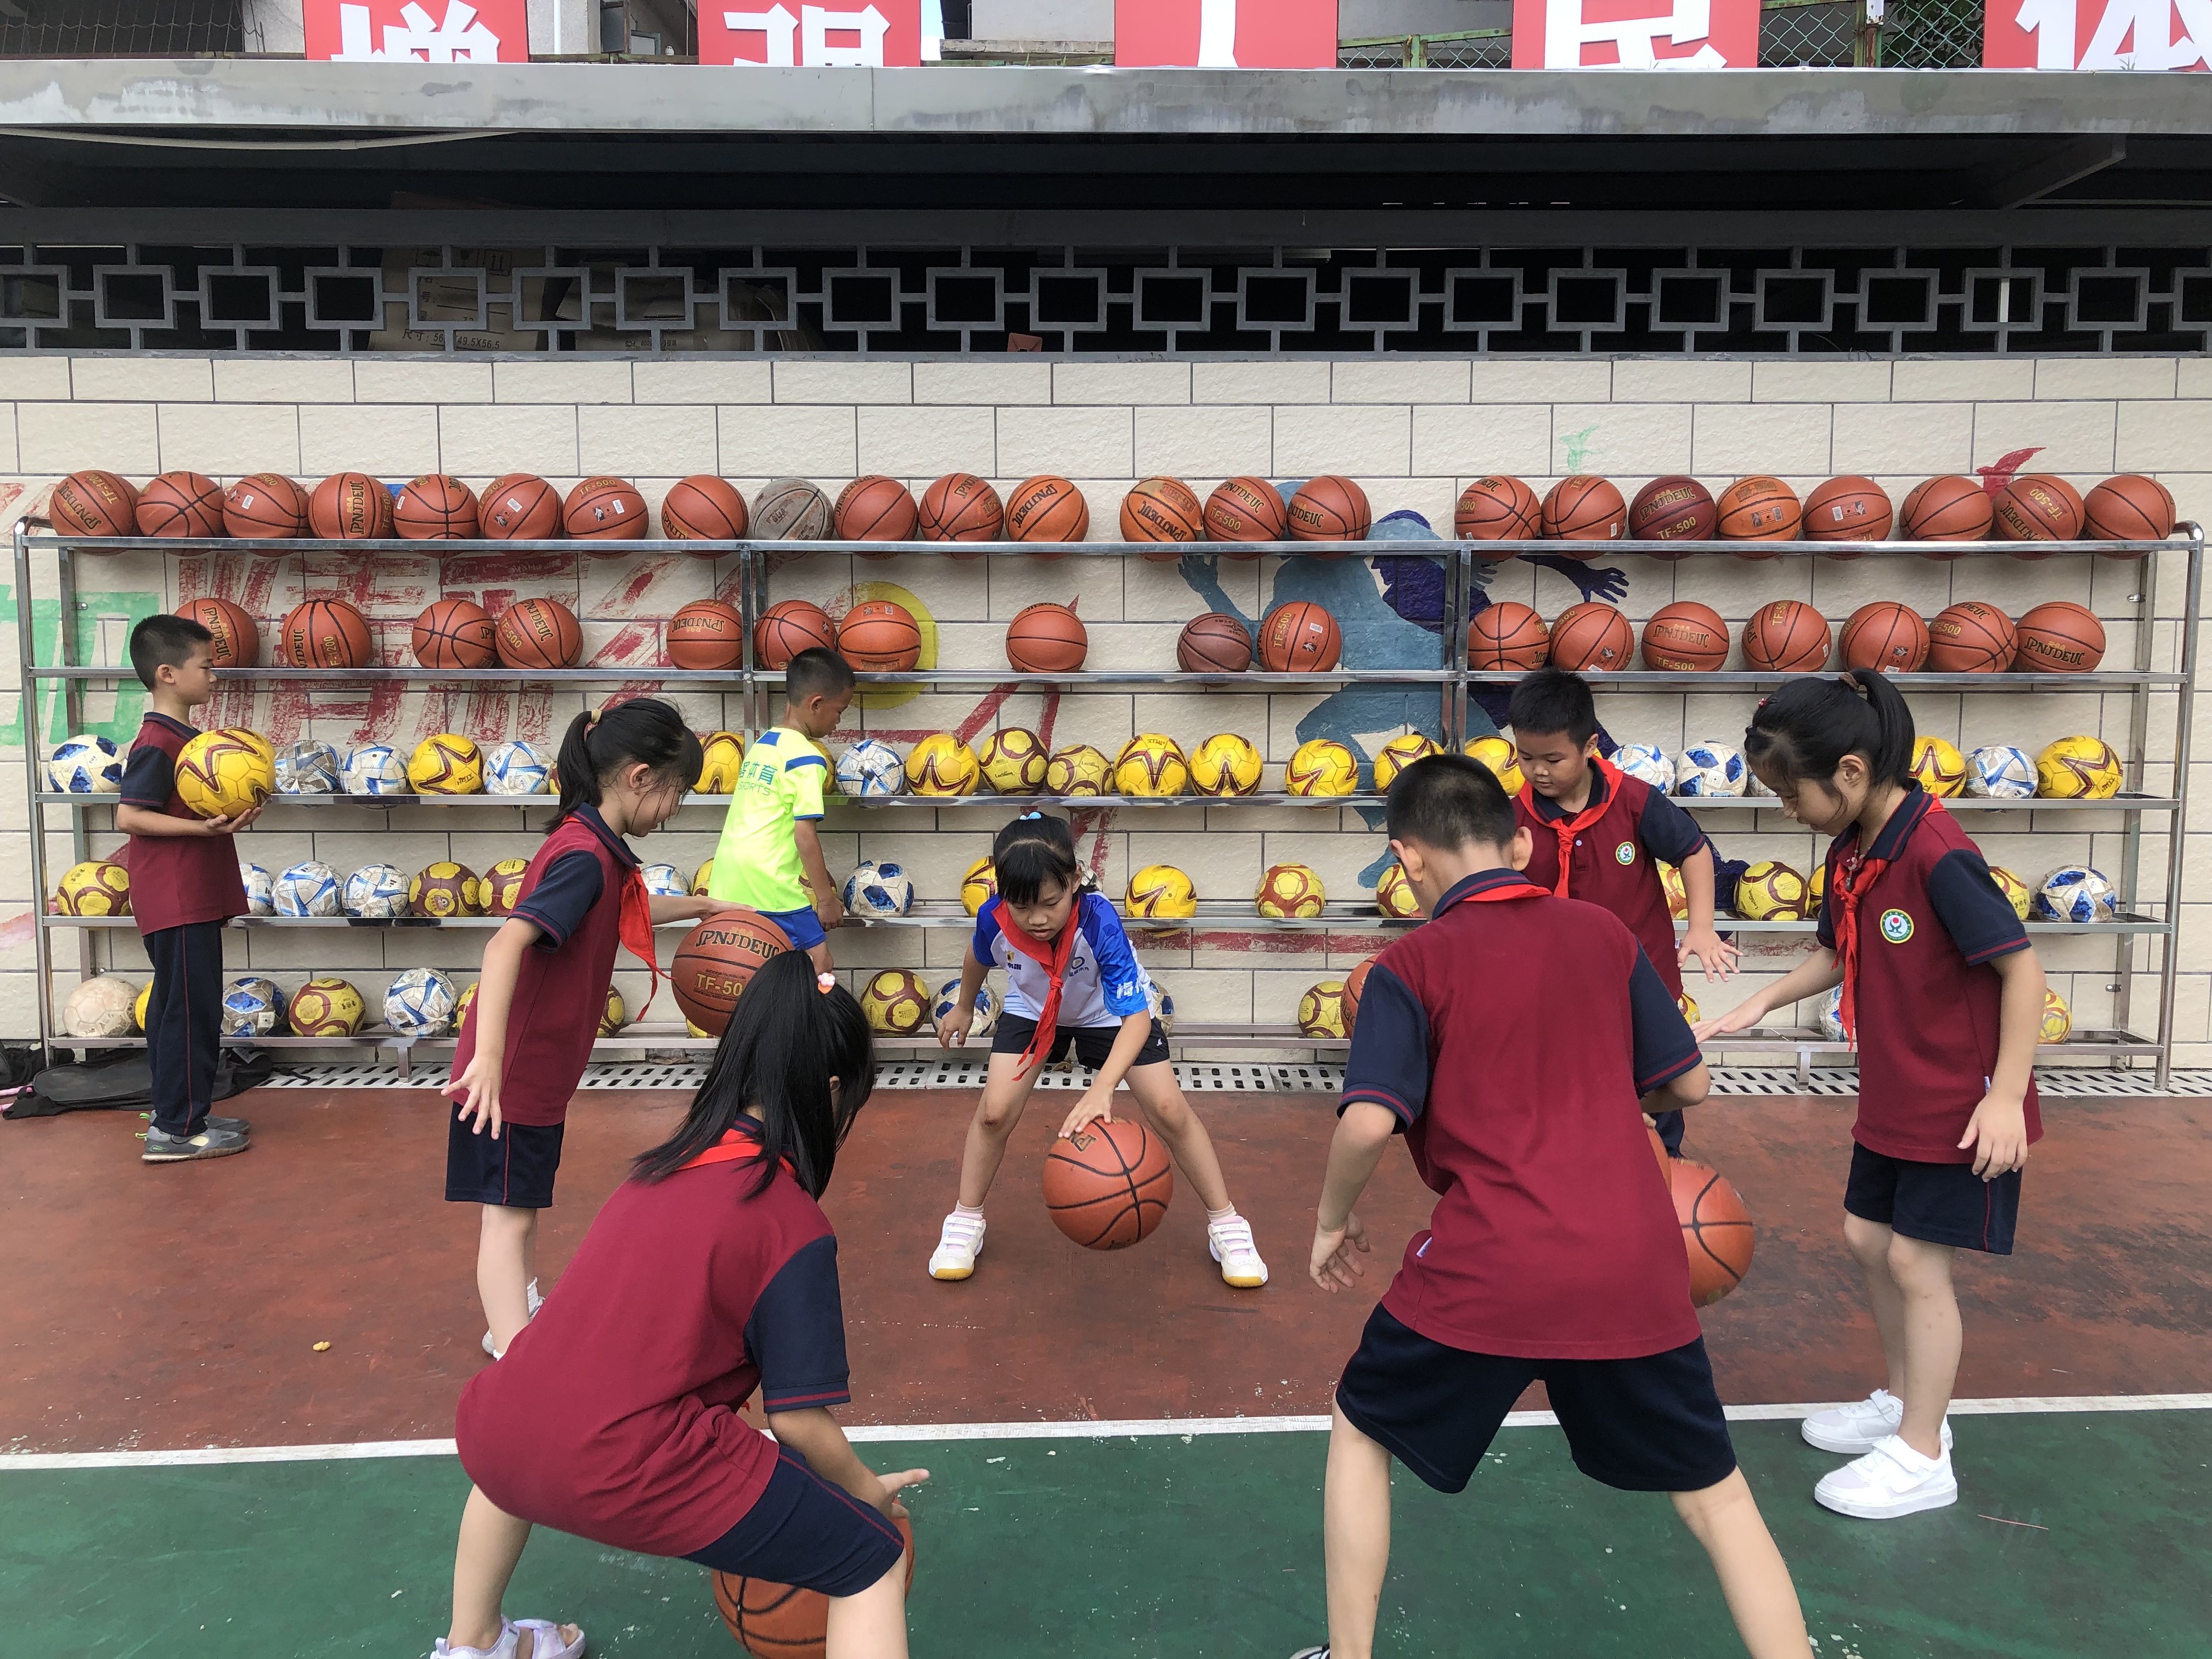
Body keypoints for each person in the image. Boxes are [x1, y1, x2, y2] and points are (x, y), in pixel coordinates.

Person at [1297, 753, 1813, 1659]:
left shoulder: (1407, 966)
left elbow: (1370, 1120)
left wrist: (1331, 1219)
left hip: (1491, 1265)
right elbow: (1687, 1082)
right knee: (1716, 1494)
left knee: (1361, 1424)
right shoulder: (1602, 934)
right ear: (1520, 844)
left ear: (1405, 857)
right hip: (1632, 1260)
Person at [432, 951, 927, 1659]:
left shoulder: (656, 1171)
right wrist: (864, 1491)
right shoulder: (789, 1222)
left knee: (533, 1430)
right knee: (868, 1558)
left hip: (498, 1434)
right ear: (831, 1090)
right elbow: (798, 1422)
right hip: (620, 1461)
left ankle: (472, 1643)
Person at [1696, 671, 2042, 1521]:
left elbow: (2022, 969)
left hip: (1962, 1101)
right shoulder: (1854, 847)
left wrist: (2005, 1096)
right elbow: (1837, 950)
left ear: (1850, 772)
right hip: (1897, 1091)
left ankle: (1924, 1455)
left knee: (1917, 1263)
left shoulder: (1937, 853)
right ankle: (1904, 1401)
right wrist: (1761, 1002)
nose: (1787, 810)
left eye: (1791, 794)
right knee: (1866, 1238)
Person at [444, 698, 736, 1361]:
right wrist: (488, 1060)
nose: (674, 810)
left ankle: (519, 1313)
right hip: (511, 1076)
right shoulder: (583, 856)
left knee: (520, 1206)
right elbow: (504, 944)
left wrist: (702, 905)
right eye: (677, 793)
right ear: (639, 777)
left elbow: (621, 911)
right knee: (507, 1218)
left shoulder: (597, 848)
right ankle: (516, 1362)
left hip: (534, 1072)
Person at [929, 812, 1268, 1288]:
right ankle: (965, 1220)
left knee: (1170, 1110)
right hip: (1034, 1009)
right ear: (1004, 895)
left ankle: (1227, 1224)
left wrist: (1103, 1087)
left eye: (1050, 903)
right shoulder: (994, 917)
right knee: (993, 1114)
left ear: (1074, 882)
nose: (1037, 919)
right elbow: (978, 955)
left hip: (1107, 1012)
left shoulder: (1099, 921)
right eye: (1022, 907)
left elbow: (1136, 1019)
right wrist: (965, 1007)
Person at [1508, 667, 1733, 1153]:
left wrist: (1701, 928)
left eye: (1552, 759)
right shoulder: (1514, 818)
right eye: (1525, 757)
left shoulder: (1634, 801)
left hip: (1641, 981)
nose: (1538, 771)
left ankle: (1663, 1162)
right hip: (1555, 987)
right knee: (1565, 1089)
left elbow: (1693, 851)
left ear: (1590, 746)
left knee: (1653, 1084)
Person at [116, 614, 259, 1164]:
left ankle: (182, 1114)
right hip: (175, 900)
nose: (215, 676)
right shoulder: (157, 741)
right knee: (186, 1014)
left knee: (185, 1009)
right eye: (207, 665)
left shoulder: (190, 740)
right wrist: (203, 829)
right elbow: (130, 815)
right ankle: (175, 1132)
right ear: (168, 674)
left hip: (190, 896)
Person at [707, 646, 854, 970]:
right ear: (816, 704)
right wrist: (827, 901)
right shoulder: (807, 758)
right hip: (771, 889)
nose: (839, 721)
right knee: (821, 965)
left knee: (751, 971)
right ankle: (811, 1009)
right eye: (840, 711)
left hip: (727, 884)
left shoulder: (762, 747)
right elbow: (805, 835)